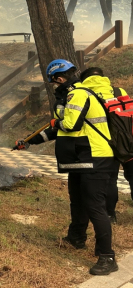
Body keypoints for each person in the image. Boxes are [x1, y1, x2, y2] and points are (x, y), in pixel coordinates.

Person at [15, 59, 119, 276]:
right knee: (78, 201)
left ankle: (107, 257)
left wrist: (55, 122)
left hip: (96, 159)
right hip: (81, 159)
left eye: (54, 82)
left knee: (95, 207)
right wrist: (29, 141)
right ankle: (76, 238)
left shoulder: (78, 94)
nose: (55, 86)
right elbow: (58, 129)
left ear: (60, 79)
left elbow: (70, 125)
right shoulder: (71, 96)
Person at [78, 67, 129, 223]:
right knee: (113, 180)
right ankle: (110, 214)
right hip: (122, 142)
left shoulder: (82, 93)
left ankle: (101, 214)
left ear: (84, 79)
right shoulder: (119, 91)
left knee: (96, 181)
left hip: (96, 144)